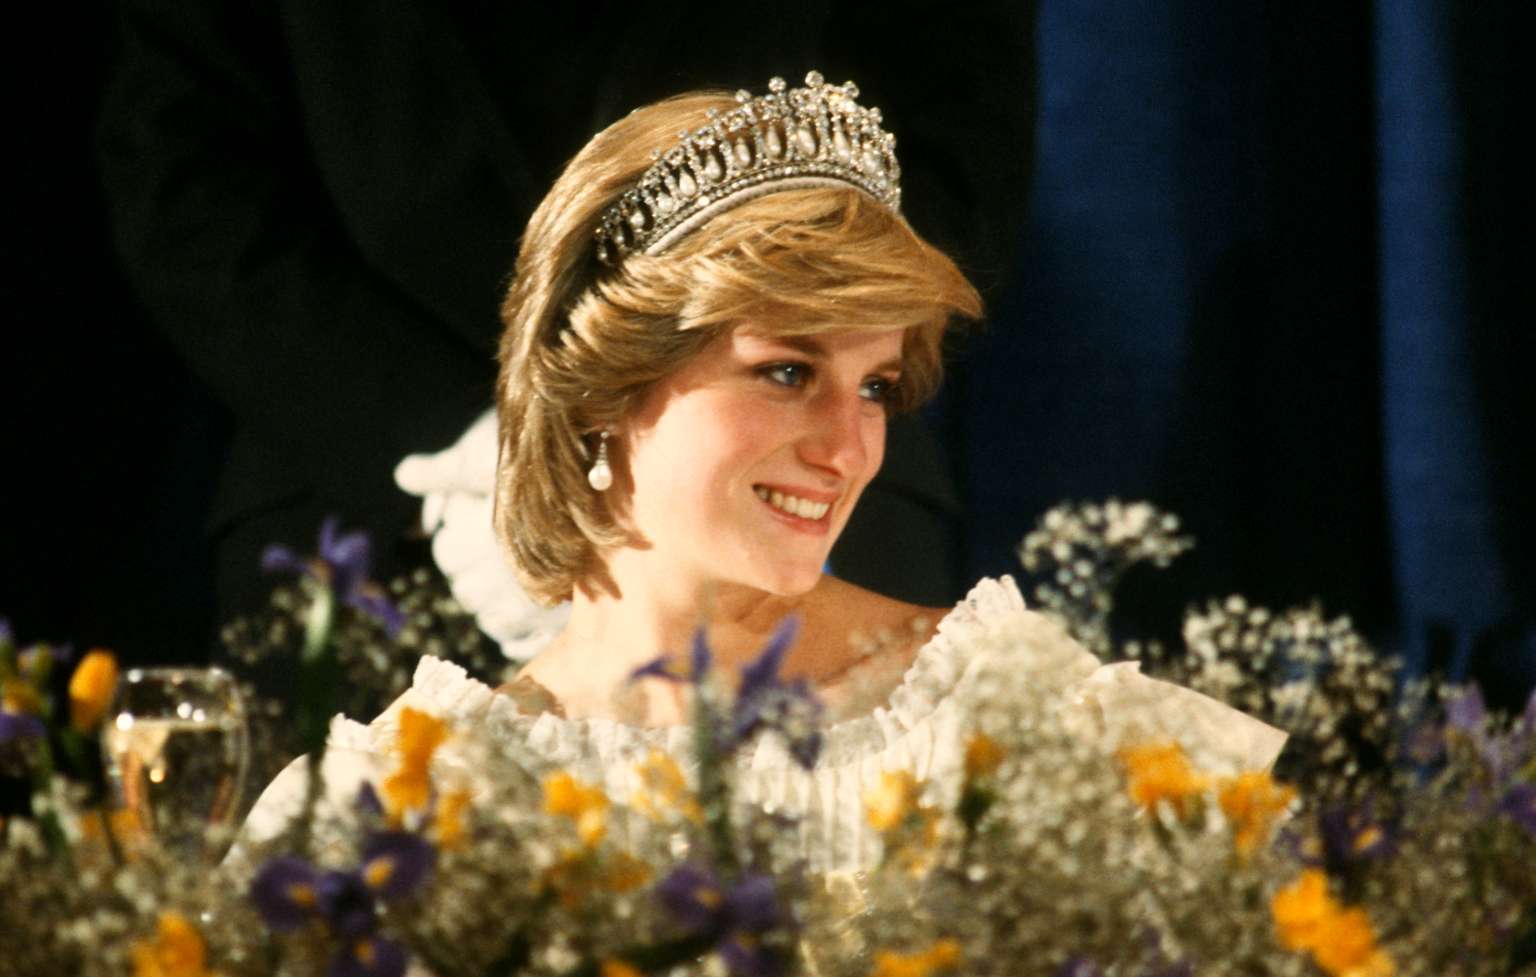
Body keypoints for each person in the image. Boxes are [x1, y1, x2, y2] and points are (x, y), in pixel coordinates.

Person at [243, 74, 1284, 874]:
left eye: (875, 386)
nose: (848, 446)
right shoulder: (401, 804)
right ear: (603, 386)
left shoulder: (1000, 713)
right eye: (788, 371)